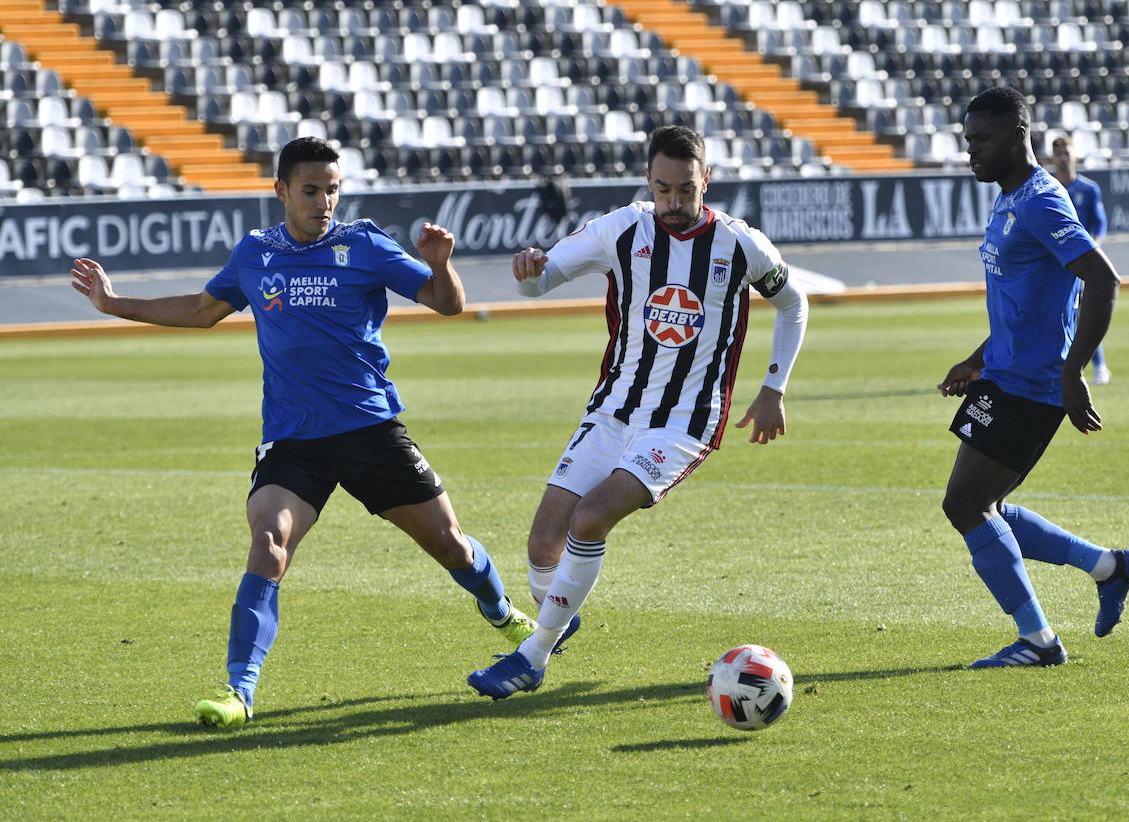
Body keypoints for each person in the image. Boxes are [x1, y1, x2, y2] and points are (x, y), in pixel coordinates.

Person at [70, 137, 535, 727]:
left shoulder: (365, 243)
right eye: (311, 190)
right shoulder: (256, 252)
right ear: (282, 191)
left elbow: (446, 304)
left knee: (450, 545)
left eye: (332, 190)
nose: (324, 202)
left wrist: (441, 264)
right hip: (293, 440)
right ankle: (239, 692)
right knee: (268, 543)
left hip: (370, 429)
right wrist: (114, 304)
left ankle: (498, 609)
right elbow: (199, 309)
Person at [467, 124, 809, 699]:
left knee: (591, 518)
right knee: (542, 545)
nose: (673, 203)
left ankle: (532, 656)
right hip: (614, 408)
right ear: (647, 181)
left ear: (707, 180)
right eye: (661, 190)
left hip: (684, 420)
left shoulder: (741, 243)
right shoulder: (620, 229)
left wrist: (774, 387)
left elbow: (792, 304)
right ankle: (558, 613)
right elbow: (543, 279)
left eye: (685, 190)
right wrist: (528, 272)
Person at [938, 88, 1129, 669]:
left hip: (1031, 386)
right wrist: (977, 356)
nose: (970, 150)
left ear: (1016, 137)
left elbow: (1102, 280)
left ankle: (1038, 641)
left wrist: (1073, 372)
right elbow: (1023, 296)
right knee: (984, 505)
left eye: (981, 140)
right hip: (1000, 376)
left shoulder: (1039, 203)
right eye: (968, 138)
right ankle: (1109, 567)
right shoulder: (1007, 199)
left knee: (967, 505)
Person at [1050, 135, 1111, 385]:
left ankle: (1098, 367)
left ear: (1074, 155)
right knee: (1057, 317)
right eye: (1058, 154)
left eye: (1066, 153)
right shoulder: (1049, 189)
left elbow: (1100, 224)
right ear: (1052, 158)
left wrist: (1091, 252)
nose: (1063, 158)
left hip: (1081, 264)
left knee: (1083, 317)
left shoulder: (1088, 189)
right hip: (1055, 265)